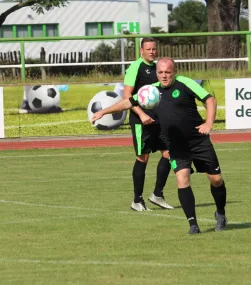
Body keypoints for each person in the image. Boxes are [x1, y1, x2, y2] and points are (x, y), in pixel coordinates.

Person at [92, 57, 228, 234]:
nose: (164, 76)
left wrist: (209, 122)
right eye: (161, 72)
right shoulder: (151, 90)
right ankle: (193, 225)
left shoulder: (184, 83)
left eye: (168, 72)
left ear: (174, 72)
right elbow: (128, 102)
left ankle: (220, 213)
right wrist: (103, 111)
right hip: (175, 144)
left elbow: (210, 100)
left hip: (198, 141)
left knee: (216, 180)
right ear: (157, 73)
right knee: (182, 180)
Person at [122, 37, 173, 211]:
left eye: (154, 49)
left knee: (168, 153)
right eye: (148, 49)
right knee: (143, 157)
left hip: (158, 119)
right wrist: (142, 114)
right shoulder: (135, 67)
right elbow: (126, 97)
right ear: (141, 51)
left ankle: (157, 194)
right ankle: (137, 200)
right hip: (140, 121)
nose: (152, 51)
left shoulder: (157, 67)